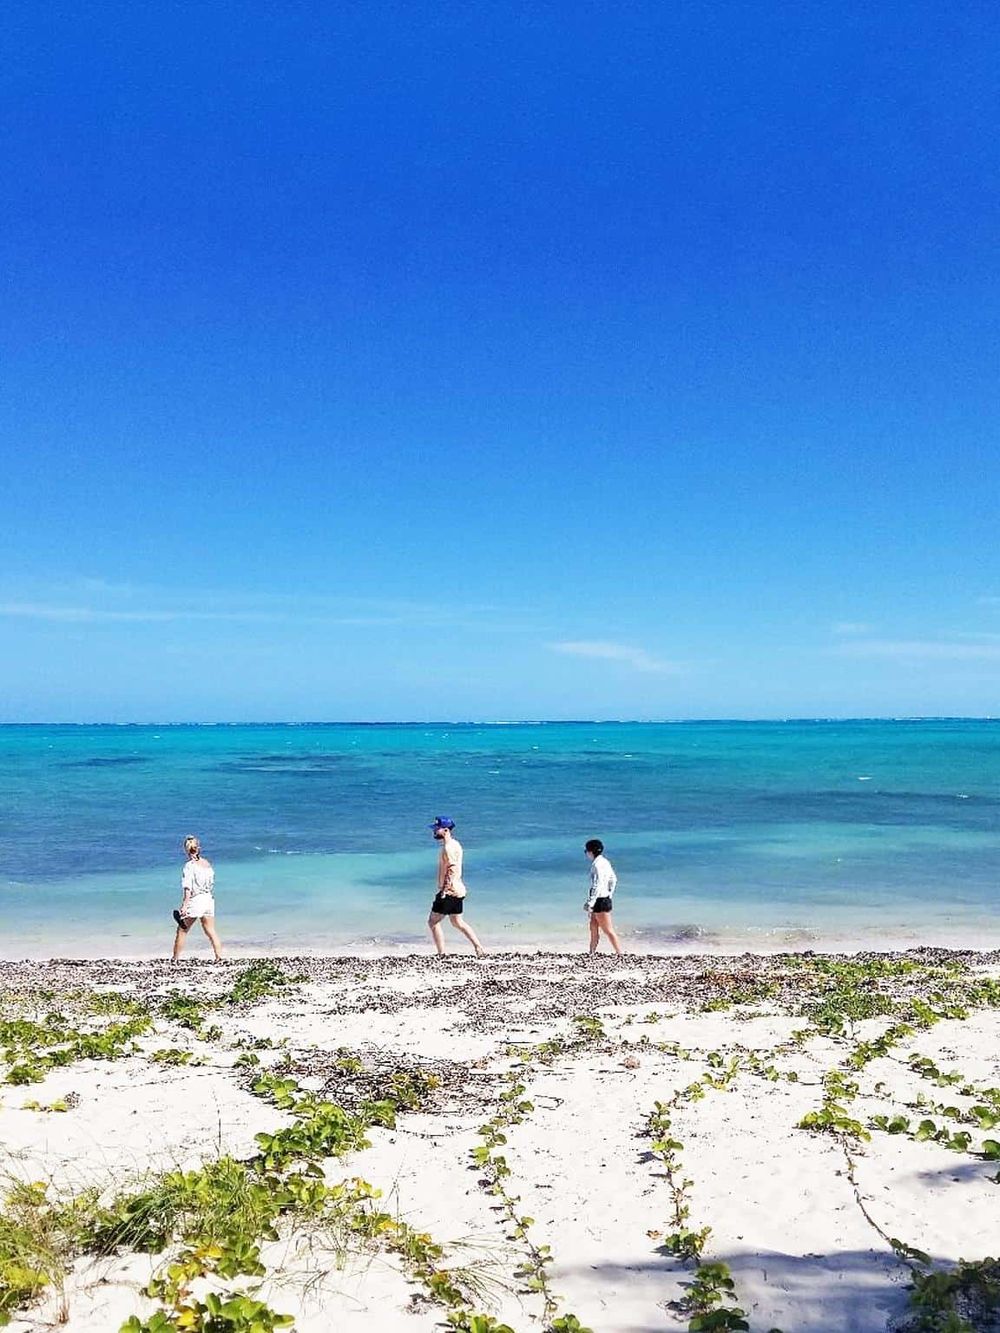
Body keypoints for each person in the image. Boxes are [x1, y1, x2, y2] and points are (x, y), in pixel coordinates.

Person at [427, 816, 485, 958]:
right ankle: (479, 947)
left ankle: (441, 954)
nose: (434, 831)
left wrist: (445, 890)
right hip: (458, 890)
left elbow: (452, 869)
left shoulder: (448, 848)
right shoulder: (455, 844)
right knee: (457, 922)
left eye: (437, 828)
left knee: (433, 921)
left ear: (445, 830)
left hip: (450, 891)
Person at [172, 836, 223, 962]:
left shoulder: (189, 866)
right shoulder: (207, 864)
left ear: (186, 850)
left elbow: (188, 888)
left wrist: (184, 905)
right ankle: (219, 956)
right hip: (208, 899)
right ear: (198, 848)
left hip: (196, 900)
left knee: (182, 929)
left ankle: (175, 958)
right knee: (210, 930)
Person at [584, 838, 622, 955]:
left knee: (608, 929)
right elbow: (613, 879)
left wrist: (590, 902)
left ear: (591, 852)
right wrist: (610, 893)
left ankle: (620, 953)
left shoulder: (597, 865)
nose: (586, 854)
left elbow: (597, 884)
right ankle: (591, 952)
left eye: (586, 851)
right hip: (603, 898)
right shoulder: (605, 862)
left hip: (600, 900)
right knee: (593, 926)